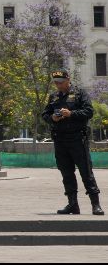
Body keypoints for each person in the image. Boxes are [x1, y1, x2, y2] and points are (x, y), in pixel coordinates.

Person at [42, 69, 103, 215]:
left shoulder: (80, 93)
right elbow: (45, 114)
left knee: (86, 173)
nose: (58, 85)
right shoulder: (54, 97)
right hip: (60, 140)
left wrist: (71, 114)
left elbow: (89, 112)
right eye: (56, 82)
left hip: (77, 139)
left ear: (68, 80)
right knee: (66, 173)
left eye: (61, 82)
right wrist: (53, 118)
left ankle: (96, 204)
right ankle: (72, 204)